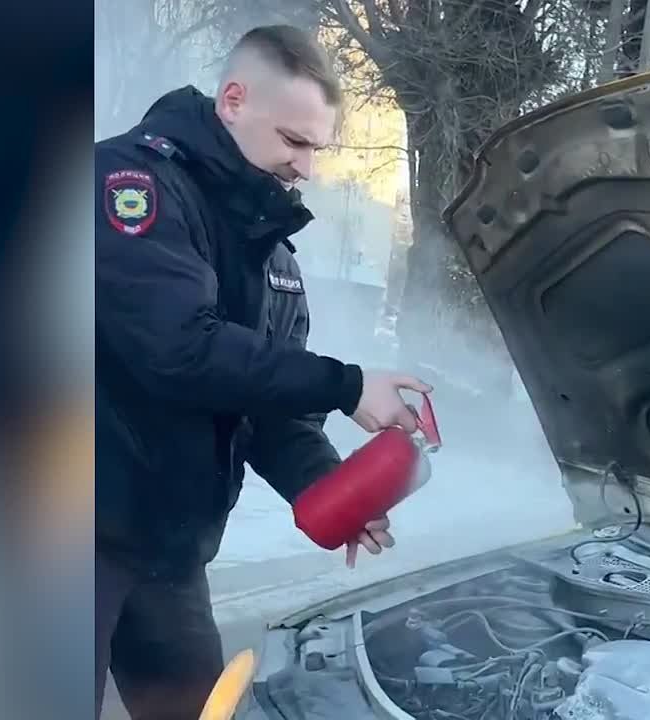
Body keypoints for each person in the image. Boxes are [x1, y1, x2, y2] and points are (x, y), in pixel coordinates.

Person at [94, 25, 430, 719]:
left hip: (170, 554)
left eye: (316, 149)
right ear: (234, 100)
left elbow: (269, 409)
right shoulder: (130, 185)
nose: (306, 168)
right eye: (293, 141)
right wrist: (347, 384)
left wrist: (333, 490)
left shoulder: (272, 252)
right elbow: (180, 349)